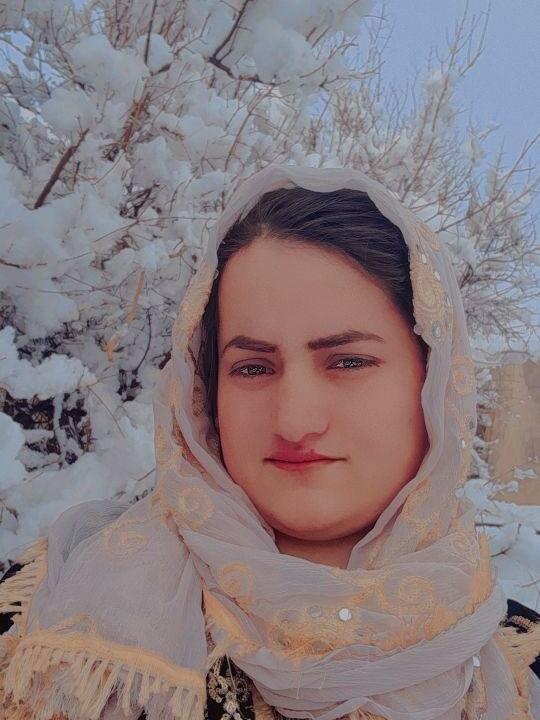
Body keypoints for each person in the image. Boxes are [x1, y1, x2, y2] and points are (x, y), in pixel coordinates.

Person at [0, 164, 539, 720]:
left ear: (433, 383)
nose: (295, 421)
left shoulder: (521, 662)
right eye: (253, 368)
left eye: (348, 362)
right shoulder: (51, 621)